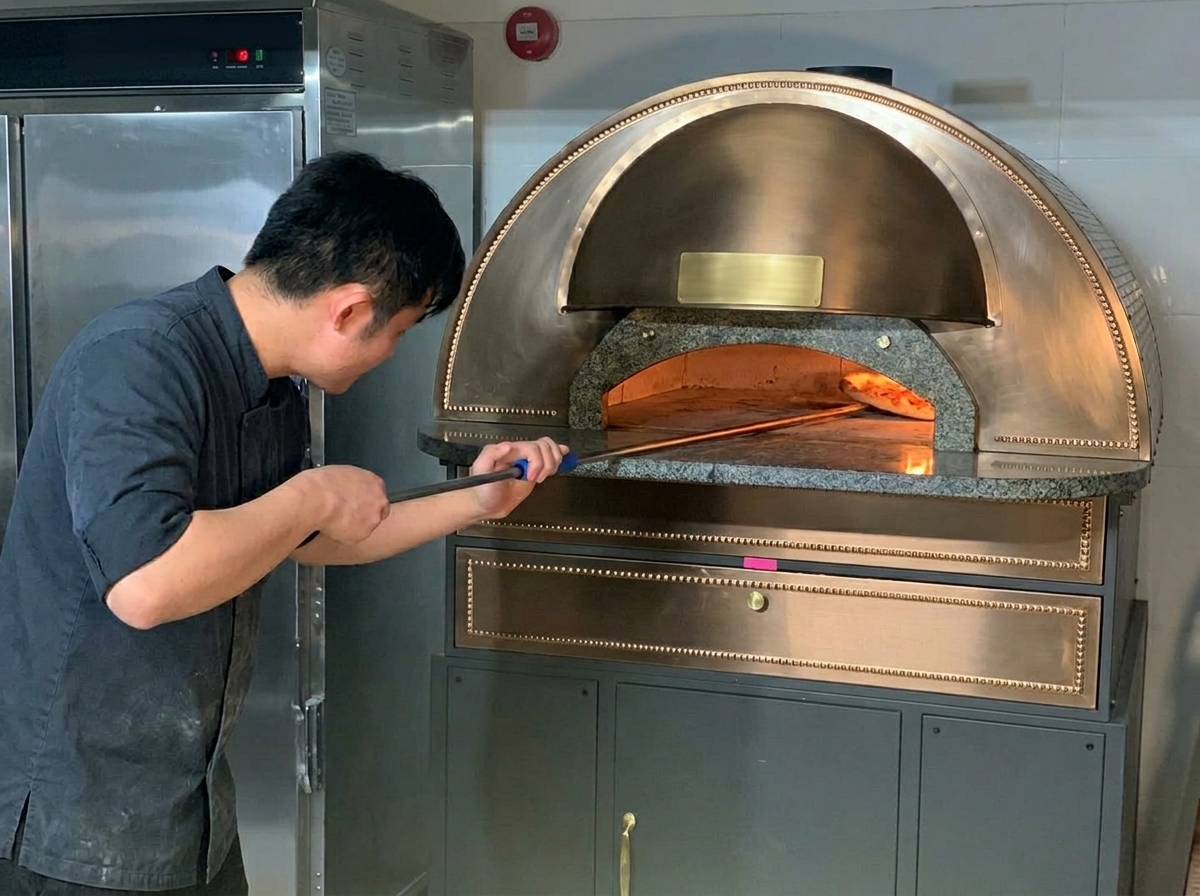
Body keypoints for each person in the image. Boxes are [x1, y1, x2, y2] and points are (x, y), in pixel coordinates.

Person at [0, 151, 567, 895]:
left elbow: (308, 538)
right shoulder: (139, 358)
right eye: (396, 330)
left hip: (188, 800)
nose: (390, 352)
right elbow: (143, 585)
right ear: (349, 310)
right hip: (78, 820)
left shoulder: (269, 385)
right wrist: (309, 495)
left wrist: (478, 499)